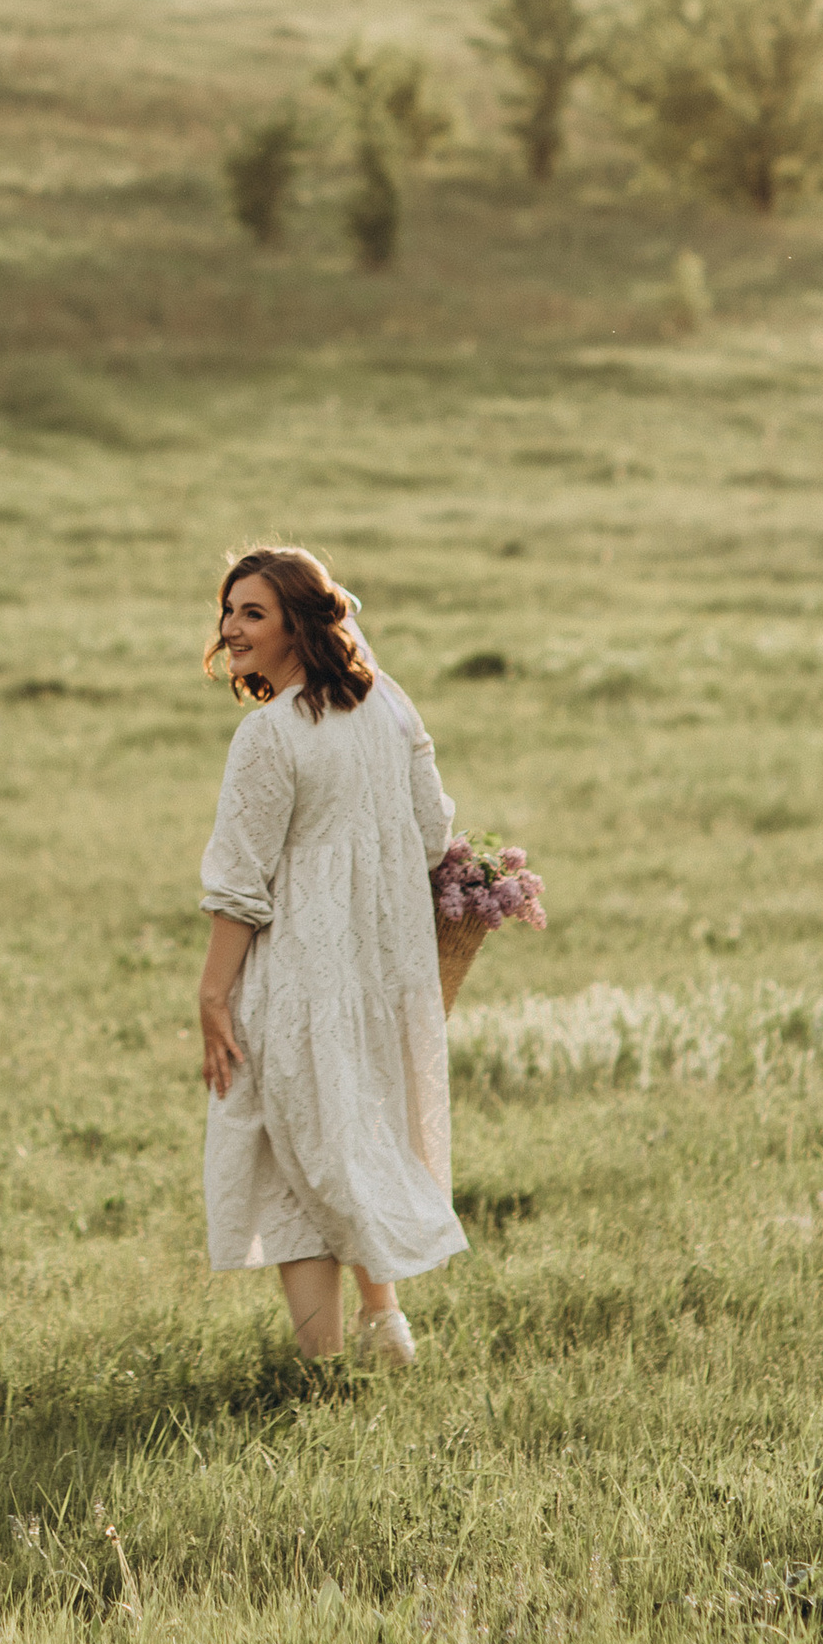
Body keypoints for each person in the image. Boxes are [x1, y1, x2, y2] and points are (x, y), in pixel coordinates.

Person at [196, 541, 465, 1367]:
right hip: (379, 974)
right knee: (348, 1137)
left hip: (298, 978)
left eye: (254, 613)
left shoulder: (269, 736)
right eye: (230, 611)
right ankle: (389, 1334)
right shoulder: (389, 704)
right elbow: (434, 834)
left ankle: (321, 1372)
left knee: (291, 1155)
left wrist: (212, 994)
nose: (232, 630)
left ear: (299, 625)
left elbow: (241, 885)